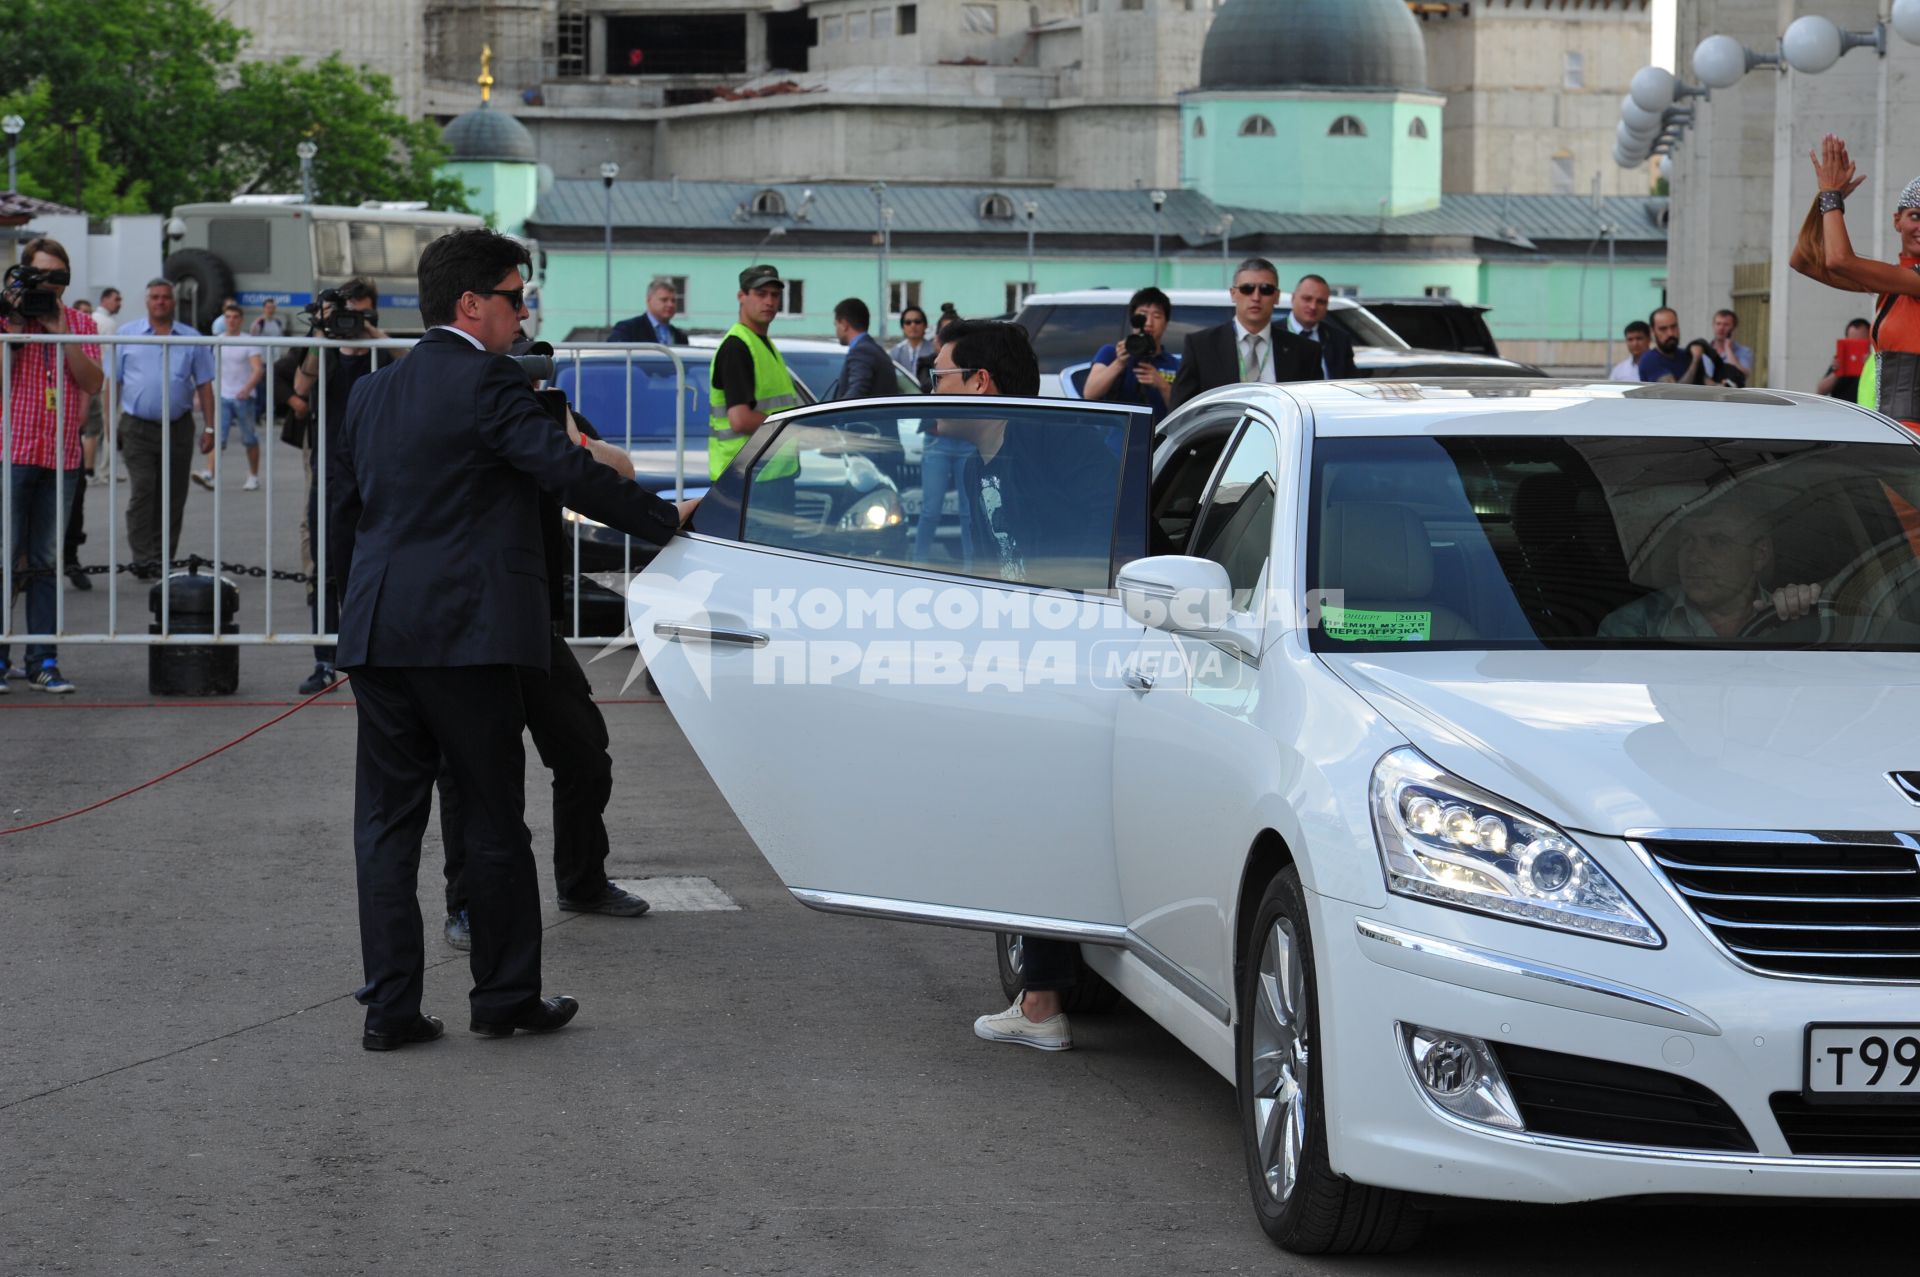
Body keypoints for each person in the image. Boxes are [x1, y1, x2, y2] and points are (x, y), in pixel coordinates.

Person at [329, 227, 694, 1053]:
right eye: (513, 296)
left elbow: (346, 518)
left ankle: (391, 1009)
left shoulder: (372, 394)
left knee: (386, 828)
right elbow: (564, 471)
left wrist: (347, 622)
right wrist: (662, 519)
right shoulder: (488, 381)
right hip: (470, 635)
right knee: (493, 818)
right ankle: (502, 996)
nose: (521, 310)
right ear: (471, 305)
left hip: (381, 634)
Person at [927, 320, 1121, 1051]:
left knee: (1037, 821)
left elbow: (1097, 553)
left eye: (940, 374)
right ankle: (1042, 991)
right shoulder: (982, 462)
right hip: (1022, 662)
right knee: (1018, 819)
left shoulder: (1059, 449)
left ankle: (1043, 1001)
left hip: (1074, 667)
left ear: (981, 382)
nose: (931, 389)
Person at [440, 356, 651, 951]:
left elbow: (620, 472)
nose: (526, 385)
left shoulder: (549, 417)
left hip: (534, 619)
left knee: (585, 753)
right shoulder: (462, 416)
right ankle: (467, 905)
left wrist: (570, 438)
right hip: (470, 622)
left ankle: (582, 881)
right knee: (468, 775)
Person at [1, 237, 102, 696]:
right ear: (24, 276)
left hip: (60, 455)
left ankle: (42, 659)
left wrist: (61, 328)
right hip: (12, 451)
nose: (50, 285)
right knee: (3, 557)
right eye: (41, 275)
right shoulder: (8, 320)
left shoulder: (80, 322)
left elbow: (92, 382)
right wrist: (17, 324)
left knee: (44, 560)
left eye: (59, 277)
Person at [289, 278, 383, 696]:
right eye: (348, 311)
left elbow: (405, 358)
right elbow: (300, 387)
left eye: (360, 311)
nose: (353, 320)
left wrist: (369, 332)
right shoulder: (324, 349)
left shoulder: (383, 351)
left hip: (377, 471)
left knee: (377, 566)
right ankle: (324, 659)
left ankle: (374, 655)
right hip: (328, 469)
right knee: (324, 568)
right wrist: (322, 333)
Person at [1790, 133, 1920, 429]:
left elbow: (1839, 260)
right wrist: (1825, 200)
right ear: (1896, 220)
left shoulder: (1906, 282)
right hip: (1892, 434)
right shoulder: (1894, 284)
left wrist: (1831, 198)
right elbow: (1802, 261)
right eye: (1915, 216)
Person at [1599, 499, 1822, 640]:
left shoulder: (1796, 616)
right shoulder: (1635, 625)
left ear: (1759, 554)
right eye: (1687, 541)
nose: (1695, 557)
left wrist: (1803, 617)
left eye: (1717, 541)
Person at [115, 279, 214, 578]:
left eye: (166, 298)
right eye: (155, 297)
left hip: (178, 426)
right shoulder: (127, 334)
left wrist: (210, 428)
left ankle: (162, 558)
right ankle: (143, 557)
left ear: (173, 302)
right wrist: (110, 424)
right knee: (143, 490)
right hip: (137, 427)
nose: (160, 302)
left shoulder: (191, 338)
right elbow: (114, 382)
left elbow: (205, 384)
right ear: (147, 301)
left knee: (173, 495)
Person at [708, 265, 803, 524]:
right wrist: (794, 427)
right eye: (761, 293)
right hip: (751, 480)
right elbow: (739, 419)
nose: (770, 301)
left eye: (775, 294)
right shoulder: (738, 346)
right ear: (741, 296)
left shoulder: (761, 343)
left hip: (765, 475)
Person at [1170, 257, 1318, 408]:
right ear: (1233, 293)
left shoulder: (1305, 352)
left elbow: (1314, 410)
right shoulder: (1201, 346)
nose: (1256, 297)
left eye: (1266, 289)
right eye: (1247, 289)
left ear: (1277, 296)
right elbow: (1180, 409)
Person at [1083, 285, 1179, 420]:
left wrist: (1161, 384)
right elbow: (1090, 393)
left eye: (1156, 316)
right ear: (1133, 319)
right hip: (1119, 437)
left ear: (1166, 323)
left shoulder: (1175, 364)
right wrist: (1119, 363)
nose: (1149, 323)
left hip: (1160, 438)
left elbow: (1183, 410)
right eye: (1143, 315)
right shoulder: (1112, 353)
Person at [202, 302, 263, 491]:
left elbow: (257, 369)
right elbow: (210, 369)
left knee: (249, 439)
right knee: (218, 437)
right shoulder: (218, 340)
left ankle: (253, 475)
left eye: (235, 317)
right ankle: (210, 474)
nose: (231, 321)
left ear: (241, 320)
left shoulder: (248, 341)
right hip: (222, 395)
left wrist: (247, 388)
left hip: (243, 397)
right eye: (228, 317)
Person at [1280, 274, 1356, 380]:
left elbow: (1350, 382)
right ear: (1293, 298)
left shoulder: (1340, 340)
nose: (1313, 306)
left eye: (1320, 302)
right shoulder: (1273, 334)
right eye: (1307, 299)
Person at [827, 296, 895, 400]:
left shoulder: (862, 351)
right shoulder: (874, 350)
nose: (836, 330)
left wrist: (837, 414)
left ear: (844, 324)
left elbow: (857, 393)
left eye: (836, 325)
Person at [1636, 307, 1720, 385]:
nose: (1670, 333)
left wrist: (1723, 387)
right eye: (1663, 329)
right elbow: (1674, 392)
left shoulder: (1686, 355)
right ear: (1653, 331)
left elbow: (1708, 384)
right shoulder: (1649, 360)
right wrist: (1695, 359)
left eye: (1674, 327)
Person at [609, 279, 688, 345]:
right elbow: (613, 358)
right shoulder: (628, 329)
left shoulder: (681, 337)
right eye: (664, 300)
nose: (670, 304)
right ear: (648, 300)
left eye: (673, 301)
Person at [1816, 318, 1873, 400]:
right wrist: (1837, 372)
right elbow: (1820, 391)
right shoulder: (1841, 359)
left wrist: (1870, 367)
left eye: (1860, 343)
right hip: (1842, 411)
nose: (1856, 348)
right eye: (1852, 343)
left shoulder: (1876, 362)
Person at [1710, 309, 1754, 383]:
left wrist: (1728, 348)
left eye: (1726, 325)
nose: (1721, 328)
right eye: (1718, 324)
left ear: (1734, 329)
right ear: (1713, 325)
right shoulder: (1704, 350)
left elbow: (1742, 375)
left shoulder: (1744, 352)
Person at [888, 304, 931, 374]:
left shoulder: (934, 351)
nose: (913, 325)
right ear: (902, 327)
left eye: (917, 321)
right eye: (908, 322)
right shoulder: (896, 352)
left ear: (925, 325)